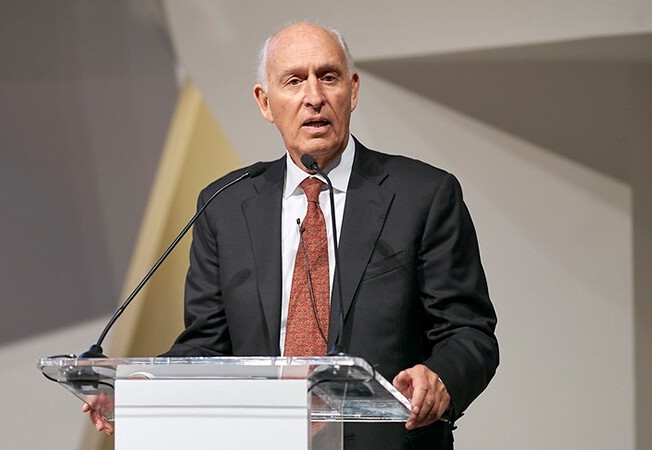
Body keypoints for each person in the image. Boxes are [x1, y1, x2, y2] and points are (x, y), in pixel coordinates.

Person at [86, 22, 498, 449]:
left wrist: (442, 379)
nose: (314, 97)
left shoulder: (423, 195)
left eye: (329, 77)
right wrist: (139, 389)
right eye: (294, 81)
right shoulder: (224, 206)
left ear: (352, 90)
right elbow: (207, 346)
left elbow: (470, 333)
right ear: (265, 102)